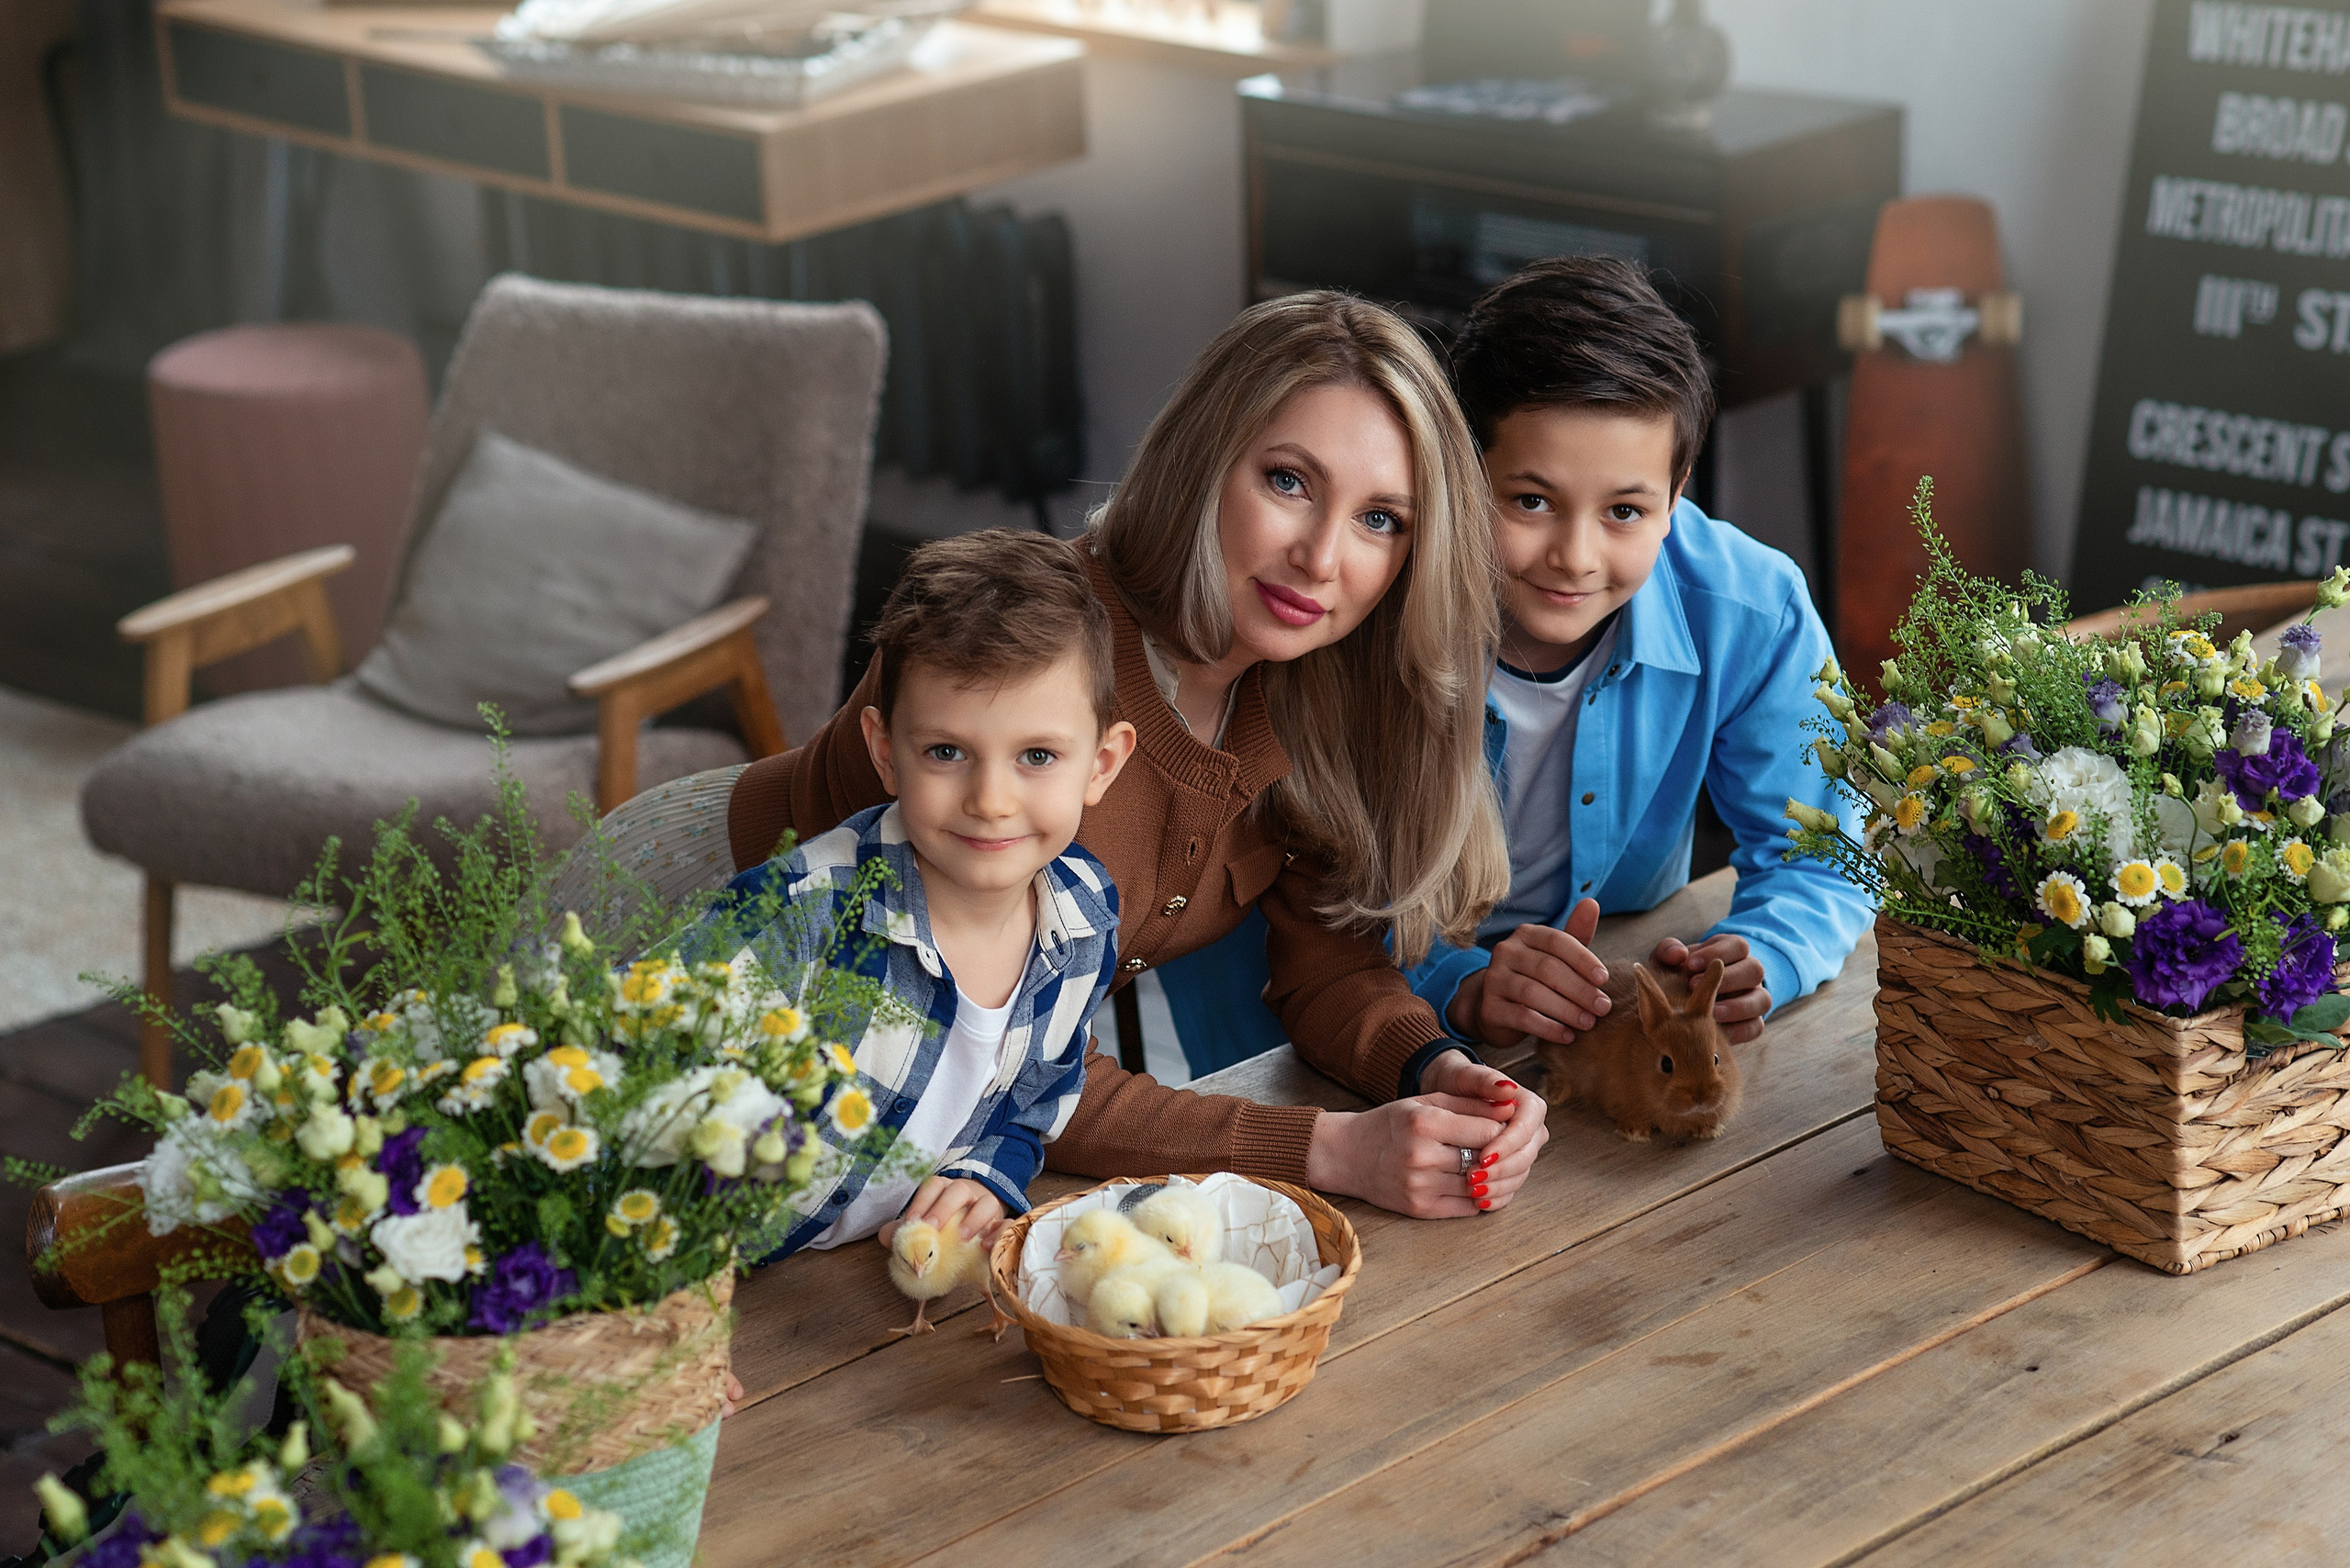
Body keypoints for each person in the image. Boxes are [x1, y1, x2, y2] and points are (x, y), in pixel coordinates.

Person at [724, 292, 1547, 1220]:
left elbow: (1331, 967)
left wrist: (1438, 1069)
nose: (1322, 557)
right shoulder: (1022, 645)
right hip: (708, 949)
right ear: (1205, 459)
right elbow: (1002, 1063)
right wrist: (1328, 1147)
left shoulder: (1310, 686)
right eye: (1288, 481)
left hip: (874, 1086)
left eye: (1379, 520)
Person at [1407, 255, 1872, 1051]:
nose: (1576, 556)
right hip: (1371, 1012)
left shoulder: (1751, 607)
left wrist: (1766, 954)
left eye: (1625, 510)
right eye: (1530, 500)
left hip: (1608, 1008)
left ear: (1678, 491)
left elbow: (1827, 856)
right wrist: (1464, 984)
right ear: (1460, 470)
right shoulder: (1377, 602)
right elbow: (1317, 916)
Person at [718, 532, 1135, 1257]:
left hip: (843, 1297)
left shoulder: (1084, 919)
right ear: (886, 752)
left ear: (1101, 764)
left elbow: (1031, 1099)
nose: (992, 801)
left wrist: (985, 1171)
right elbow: (638, 1108)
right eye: (947, 752)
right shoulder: (800, 917)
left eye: (1038, 756)